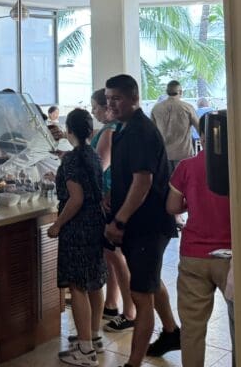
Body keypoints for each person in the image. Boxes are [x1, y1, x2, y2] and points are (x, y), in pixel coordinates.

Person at [103, 74, 181, 366]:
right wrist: (112, 194)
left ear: (134, 98)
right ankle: (171, 332)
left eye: (117, 99)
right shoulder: (123, 128)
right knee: (148, 281)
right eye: (108, 98)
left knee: (140, 294)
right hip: (137, 221)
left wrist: (119, 221)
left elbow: (143, 182)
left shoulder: (140, 131)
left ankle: (132, 363)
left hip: (147, 224)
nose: (111, 104)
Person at [166, 113, 232, 367]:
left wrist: (192, 202)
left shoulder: (187, 166)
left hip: (194, 255)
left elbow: (172, 207)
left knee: (193, 328)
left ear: (202, 136)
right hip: (232, 258)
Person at [47, 108, 107, 365]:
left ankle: (84, 351)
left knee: (78, 285)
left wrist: (58, 224)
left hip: (77, 226)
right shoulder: (92, 154)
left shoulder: (71, 160)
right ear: (91, 132)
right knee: (94, 280)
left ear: (68, 131)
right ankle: (93, 336)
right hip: (95, 223)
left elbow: (76, 198)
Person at [89, 89, 137, 329]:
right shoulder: (116, 129)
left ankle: (130, 310)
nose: (94, 112)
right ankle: (112, 302)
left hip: (108, 199)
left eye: (96, 108)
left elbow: (99, 167)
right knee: (110, 255)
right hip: (113, 196)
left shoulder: (109, 131)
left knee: (116, 257)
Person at [151, 80, 200, 173]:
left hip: (164, 156)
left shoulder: (156, 108)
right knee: (184, 185)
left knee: (166, 185)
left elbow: (152, 133)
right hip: (184, 154)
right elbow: (200, 129)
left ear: (167, 92)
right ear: (180, 92)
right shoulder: (187, 107)